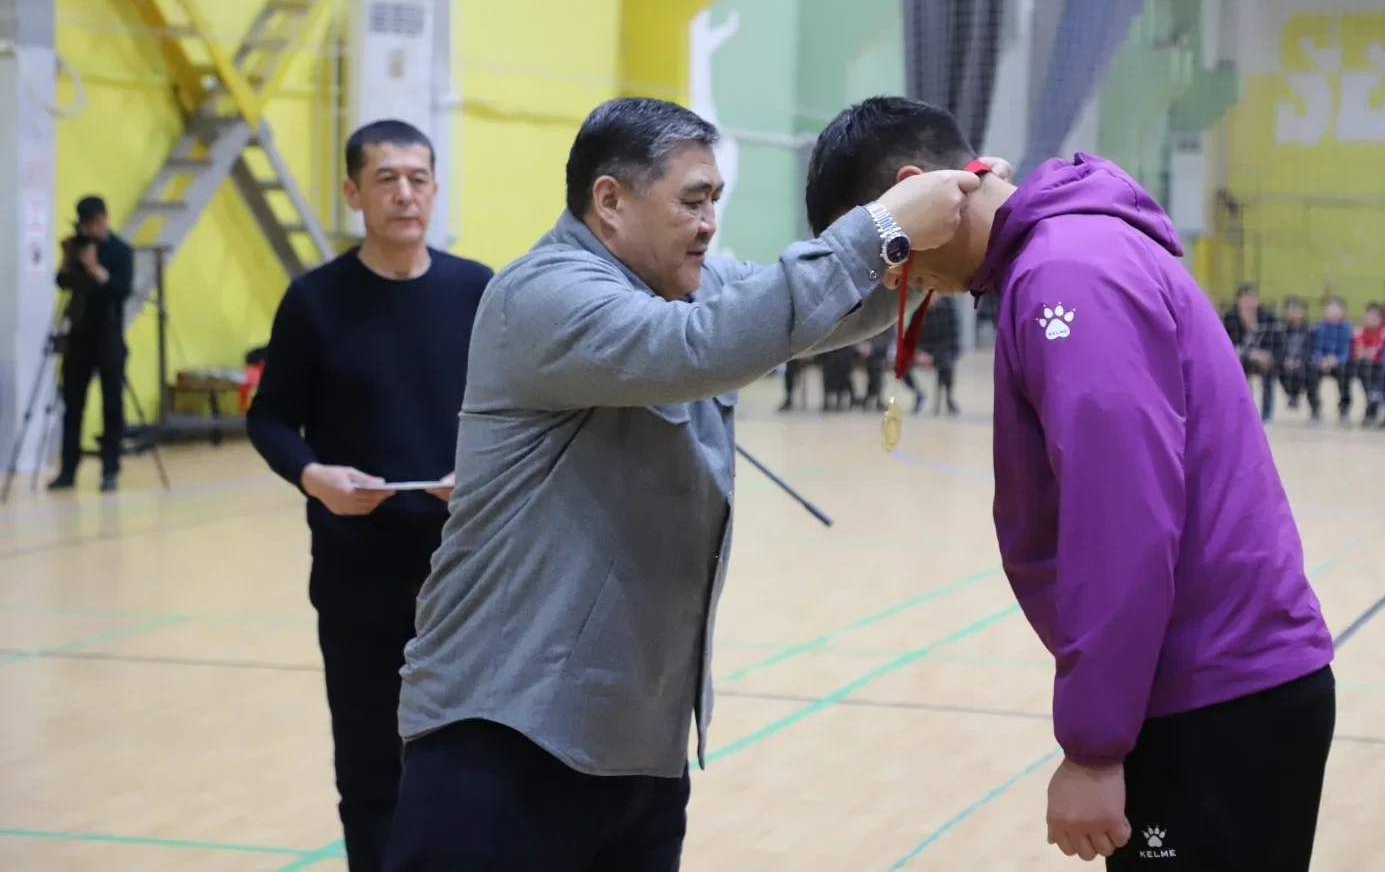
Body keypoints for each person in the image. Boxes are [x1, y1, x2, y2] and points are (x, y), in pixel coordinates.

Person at [383, 97, 990, 872]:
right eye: (692, 201)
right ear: (610, 201)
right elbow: (702, 345)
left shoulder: (689, 285)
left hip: (638, 744)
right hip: (504, 737)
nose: (709, 224)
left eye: (715, 202)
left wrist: (943, 230)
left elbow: (812, 311)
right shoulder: (544, 293)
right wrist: (882, 226)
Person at [803, 96, 1335, 872]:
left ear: (917, 191)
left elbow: (1121, 520)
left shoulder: (1066, 272)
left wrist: (1093, 749)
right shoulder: (1063, 251)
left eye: (887, 251)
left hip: (1214, 699)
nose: (895, 280)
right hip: (1213, 687)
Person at [245, 120, 493, 872]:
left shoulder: (479, 291)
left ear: (436, 189)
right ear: (353, 193)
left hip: (466, 574)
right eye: (387, 179)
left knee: (472, 762)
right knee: (370, 768)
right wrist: (313, 476)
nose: (405, 194)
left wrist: (481, 476)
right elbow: (269, 416)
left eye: (418, 178)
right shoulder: (314, 301)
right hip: (357, 573)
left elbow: (516, 414)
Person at [48, 195, 134, 493]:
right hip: (79, 337)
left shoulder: (121, 251)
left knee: (112, 405)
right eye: (88, 224)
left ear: (105, 219)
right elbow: (63, 283)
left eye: (98, 222)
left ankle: (110, 470)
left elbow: (120, 291)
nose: (94, 228)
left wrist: (94, 267)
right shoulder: (78, 246)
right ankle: (68, 469)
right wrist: (67, 258)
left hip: (108, 337)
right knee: (72, 406)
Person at [1222, 284, 1281, 421]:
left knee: (1268, 370)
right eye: (1245, 298)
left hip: (1263, 358)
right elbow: (1229, 347)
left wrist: (1255, 328)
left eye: (1253, 298)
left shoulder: (1267, 317)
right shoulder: (1230, 317)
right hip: (1240, 358)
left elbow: (1275, 343)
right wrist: (1251, 352)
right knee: (1237, 370)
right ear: (1237, 301)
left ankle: (1266, 414)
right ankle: (1243, 410)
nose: (1249, 303)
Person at [1310, 296, 1353, 424]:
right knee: (1310, 371)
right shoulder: (1319, 327)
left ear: (1343, 312)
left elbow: (1346, 352)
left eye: (1336, 310)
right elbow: (1316, 349)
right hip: (1322, 363)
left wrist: (1336, 360)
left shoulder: (1347, 329)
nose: (1333, 313)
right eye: (1330, 310)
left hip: (1339, 363)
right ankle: (1315, 408)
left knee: (1346, 372)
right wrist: (1321, 360)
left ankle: (1344, 408)